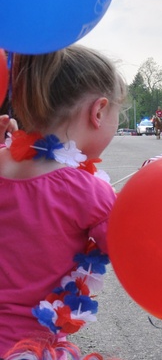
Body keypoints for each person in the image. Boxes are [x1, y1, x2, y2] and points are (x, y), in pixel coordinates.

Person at [0, 45, 126, 352]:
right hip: (26, 349)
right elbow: (142, 258)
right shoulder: (88, 192)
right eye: (116, 113)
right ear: (98, 111)